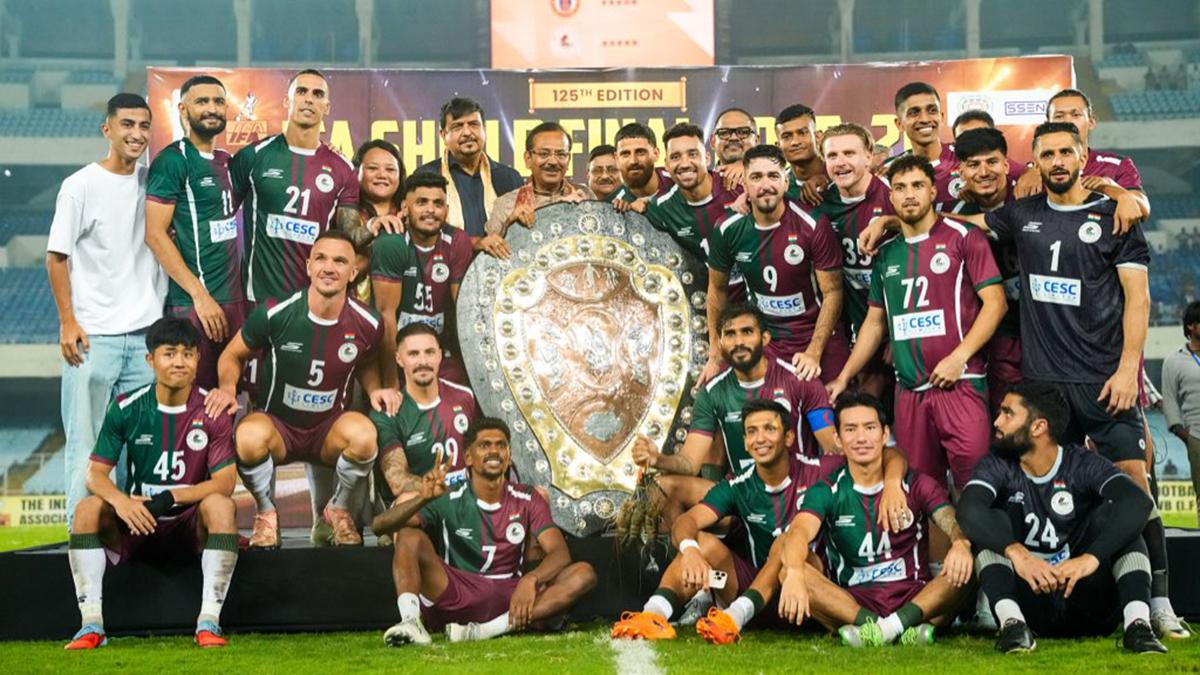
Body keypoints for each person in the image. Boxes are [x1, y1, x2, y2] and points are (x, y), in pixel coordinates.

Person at [613, 400, 866, 644]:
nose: (760, 439)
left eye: (769, 429)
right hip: (756, 596)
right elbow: (687, 521)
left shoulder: (822, 469)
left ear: (789, 437)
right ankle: (653, 615)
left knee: (787, 541)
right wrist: (690, 550)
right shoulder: (738, 484)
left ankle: (735, 616)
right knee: (701, 542)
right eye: (751, 432)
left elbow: (882, 456)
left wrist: (887, 486)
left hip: (805, 594)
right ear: (744, 442)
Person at [207, 231, 397, 548]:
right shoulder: (275, 312)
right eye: (321, 258)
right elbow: (231, 354)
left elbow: (365, 361)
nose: (329, 267)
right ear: (308, 266)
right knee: (248, 436)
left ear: (353, 272)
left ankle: (337, 509)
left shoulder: (369, 322)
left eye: (340, 261)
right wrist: (227, 388)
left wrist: (375, 389)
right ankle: (266, 513)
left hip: (327, 430)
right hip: (279, 428)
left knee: (365, 435)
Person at [829, 156, 1005, 491]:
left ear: (933, 191)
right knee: (923, 492)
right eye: (900, 188)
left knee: (976, 488)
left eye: (917, 186)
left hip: (960, 384)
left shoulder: (964, 237)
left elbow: (996, 304)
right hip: (909, 392)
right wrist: (845, 376)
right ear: (891, 197)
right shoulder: (886, 254)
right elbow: (875, 324)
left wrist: (959, 357)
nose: (909, 194)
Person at [64, 318, 237, 649]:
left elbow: (226, 482)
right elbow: (94, 474)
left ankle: (209, 622)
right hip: (138, 524)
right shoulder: (126, 407)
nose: (179, 362)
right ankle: (91, 625)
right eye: (169, 353)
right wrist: (122, 502)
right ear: (150, 360)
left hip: (188, 525)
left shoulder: (212, 411)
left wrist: (173, 496)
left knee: (221, 505)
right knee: (87, 508)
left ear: (198, 360)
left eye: (188, 354)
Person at [958, 382, 1167, 654]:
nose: (997, 421)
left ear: (1038, 427)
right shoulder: (996, 464)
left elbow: (1138, 502)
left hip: (1087, 599)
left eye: (1008, 413)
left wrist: (1090, 558)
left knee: (1118, 519)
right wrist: (1018, 554)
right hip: (1032, 603)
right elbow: (968, 509)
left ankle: (1138, 626)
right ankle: (1013, 627)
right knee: (989, 523)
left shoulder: (1081, 463)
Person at [48, 93, 165, 527]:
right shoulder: (80, 185)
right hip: (94, 336)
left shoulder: (153, 184)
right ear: (107, 129)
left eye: (144, 126)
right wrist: (67, 321)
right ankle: (82, 540)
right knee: (88, 444)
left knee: (142, 445)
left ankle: (132, 538)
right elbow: (56, 257)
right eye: (127, 124)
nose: (137, 134)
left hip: (146, 338)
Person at [373, 418, 597, 645]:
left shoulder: (528, 497)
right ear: (468, 457)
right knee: (409, 535)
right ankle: (411, 622)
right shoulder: (447, 496)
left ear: (509, 456)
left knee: (583, 573)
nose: (494, 451)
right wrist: (422, 498)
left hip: (508, 593)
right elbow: (379, 526)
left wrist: (530, 579)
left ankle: (485, 631)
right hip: (456, 590)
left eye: (501, 445)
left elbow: (560, 553)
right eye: (484, 445)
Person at [778, 392, 974, 647]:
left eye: (870, 428)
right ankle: (896, 629)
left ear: (884, 434)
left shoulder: (916, 484)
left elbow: (951, 522)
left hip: (914, 597)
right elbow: (799, 532)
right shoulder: (827, 490)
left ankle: (881, 630)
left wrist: (960, 543)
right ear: (837, 438)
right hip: (853, 603)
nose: (861, 438)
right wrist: (794, 572)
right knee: (788, 570)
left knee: (971, 559)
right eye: (850, 429)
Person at [633, 304, 843, 527]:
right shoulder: (712, 392)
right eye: (730, 334)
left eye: (747, 332)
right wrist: (658, 459)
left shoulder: (799, 380)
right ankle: (687, 546)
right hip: (745, 498)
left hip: (797, 495)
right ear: (720, 342)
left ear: (765, 338)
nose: (738, 342)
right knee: (661, 488)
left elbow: (833, 450)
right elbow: (690, 463)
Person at [706, 144, 848, 385]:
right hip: (767, 339)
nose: (765, 185)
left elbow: (833, 292)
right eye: (756, 177)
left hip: (817, 336)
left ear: (785, 181)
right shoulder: (727, 228)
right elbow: (717, 289)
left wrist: (814, 352)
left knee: (831, 404)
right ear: (745, 185)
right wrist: (715, 351)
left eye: (773, 176)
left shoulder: (813, 224)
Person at [145, 75, 244, 392]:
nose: (212, 108)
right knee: (193, 402)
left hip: (234, 301)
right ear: (182, 109)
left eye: (218, 102)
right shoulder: (173, 161)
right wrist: (200, 297)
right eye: (202, 101)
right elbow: (155, 234)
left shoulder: (228, 162)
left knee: (233, 397)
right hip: (195, 305)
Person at [229, 69, 360, 308]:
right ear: (287, 101)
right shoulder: (253, 156)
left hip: (312, 302)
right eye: (301, 91)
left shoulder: (343, 168)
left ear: (327, 107)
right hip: (256, 301)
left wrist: (373, 227)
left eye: (317, 94)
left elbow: (350, 237)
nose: (309, 99)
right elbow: (221, 213)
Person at [812, 124, 895, 399]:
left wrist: (901, 335)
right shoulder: (820, 205)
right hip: (856, 329)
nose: (840, 162)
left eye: (849, 153)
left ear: (869, 157)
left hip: (898, 329)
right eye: (832, 155)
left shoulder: (893, 197)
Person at [943, 128, 1022, 417]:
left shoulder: (1030, 196)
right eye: (973, 165)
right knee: (1003, 417)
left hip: (1046, 329)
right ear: (960, 171)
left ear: (1007, 164)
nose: (984, 171)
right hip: (994, 336)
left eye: (992, 162)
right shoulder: (956, 213)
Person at [372, 173, 473, 387]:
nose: (430, 210)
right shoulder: (392, 243)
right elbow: (386, 316)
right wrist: (391, 385)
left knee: (458, 389)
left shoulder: (457, 241)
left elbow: (462, 308)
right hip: (396, 354)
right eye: (421, 202)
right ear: (405, 207)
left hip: (438, 352)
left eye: (438, 204)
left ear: (447, 210)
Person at [630, 123, 743, 299]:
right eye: (675, 157)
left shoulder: (739, 187)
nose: (684, 163)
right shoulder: (661, 207)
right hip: (707, 304)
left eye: (693, 154)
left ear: (707, 158)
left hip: (756, 302)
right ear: (666, 165)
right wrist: (630, 208)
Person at [370, 322, 478, 504]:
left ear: (440, 355)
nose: (423, 362)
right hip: (422, 504)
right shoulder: (387, 413)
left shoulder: (464, 396)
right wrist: (441, 490)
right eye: (413, 354)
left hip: (465, 502)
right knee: (405, 499)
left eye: (429, 352)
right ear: (399, 359)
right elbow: (397, 481)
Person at [414, 97, 523, 240]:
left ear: (484, 129)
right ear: (443, 135)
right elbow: (419, 235)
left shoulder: (509, 178)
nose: (467, 132)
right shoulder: (425, 176)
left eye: (473, 124)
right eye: (457, 127)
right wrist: (474, 243)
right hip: (444, 255)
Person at [484, 122, 593, 241]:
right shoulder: (506, 204)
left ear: (569, 160)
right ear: (528, 159)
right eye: (544, 154)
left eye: (561, 154)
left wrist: (584, 211)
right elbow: (491, 249)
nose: (553, 162)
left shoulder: (585, 196)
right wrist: (509, 224)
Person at [881, 82, 961, 205]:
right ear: (899, 124)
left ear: (941, 117)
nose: (925, 119)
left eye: (932, 110)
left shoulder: (965, 158)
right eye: (914, 113)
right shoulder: (889, 171)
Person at [1162, 301, 1200, 523]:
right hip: (1197, 435)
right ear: (1191, 327)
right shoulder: (1174, 360)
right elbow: (1169, 400)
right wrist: (1184, 434)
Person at [607, 122, 672, 203]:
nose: (633, 161)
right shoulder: (611, 205)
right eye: (625, 154)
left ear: (656, 154)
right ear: (616, 159)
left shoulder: (678, 184)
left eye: (640, 152)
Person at [776, 104, 825, 206]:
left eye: (802, 133)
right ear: (778, 145)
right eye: (787, 137)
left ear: (818, 136)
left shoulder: (842, 173)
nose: (795, 142)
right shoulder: (778, 185)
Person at [710, 107, 759, 189]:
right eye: (724, 132)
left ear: (756, 141)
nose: (733, 138)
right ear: (712, 142)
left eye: (743, 132)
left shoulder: (774, 181)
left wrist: (748, 166)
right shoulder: (699, 184)